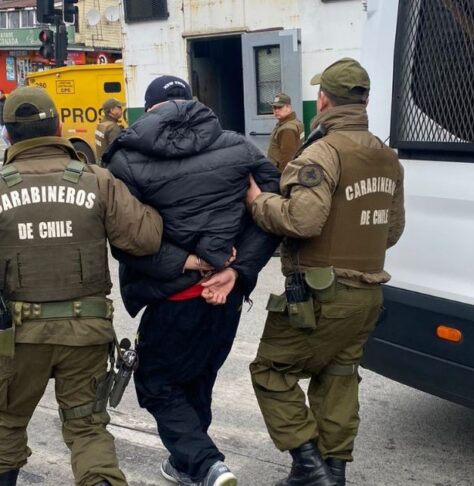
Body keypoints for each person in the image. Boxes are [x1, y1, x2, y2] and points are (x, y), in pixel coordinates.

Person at [0, 86, 164, 486]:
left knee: (8, 419)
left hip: (21, 337)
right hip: (87, 333)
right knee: (87, 427)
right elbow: (145, 239)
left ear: (8, 135)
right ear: (59, 127)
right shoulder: (97, 182)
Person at [103, 75, 281, 486]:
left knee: (156, 383)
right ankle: (186, 465)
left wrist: (187, 261)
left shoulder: (125, 159)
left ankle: (205, 464)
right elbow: (269, 214)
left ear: (149, 108)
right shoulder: (238, 146)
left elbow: (126, 239)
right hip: (225, 295)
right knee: (200, 376)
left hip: (174, 298)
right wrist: (235, 270)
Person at [245, 58, 406, 486]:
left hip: (320, 294)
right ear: (365, 101)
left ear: (323, 100)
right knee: (338, 378)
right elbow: (391, 231)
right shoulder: (387, 157)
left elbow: (303, 220)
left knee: (271, 371)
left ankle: (309, 466)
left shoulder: (322, 152)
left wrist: (259, 202)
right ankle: (332, 474)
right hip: (368, 294)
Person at [267, 93, 304, 172]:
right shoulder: (295, 122)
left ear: (288, 107)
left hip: (280, 172)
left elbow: (287, 158)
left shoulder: (287, 128)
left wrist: (282, 176)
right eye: (274, 107)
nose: (276, 110)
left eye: (280, 107)